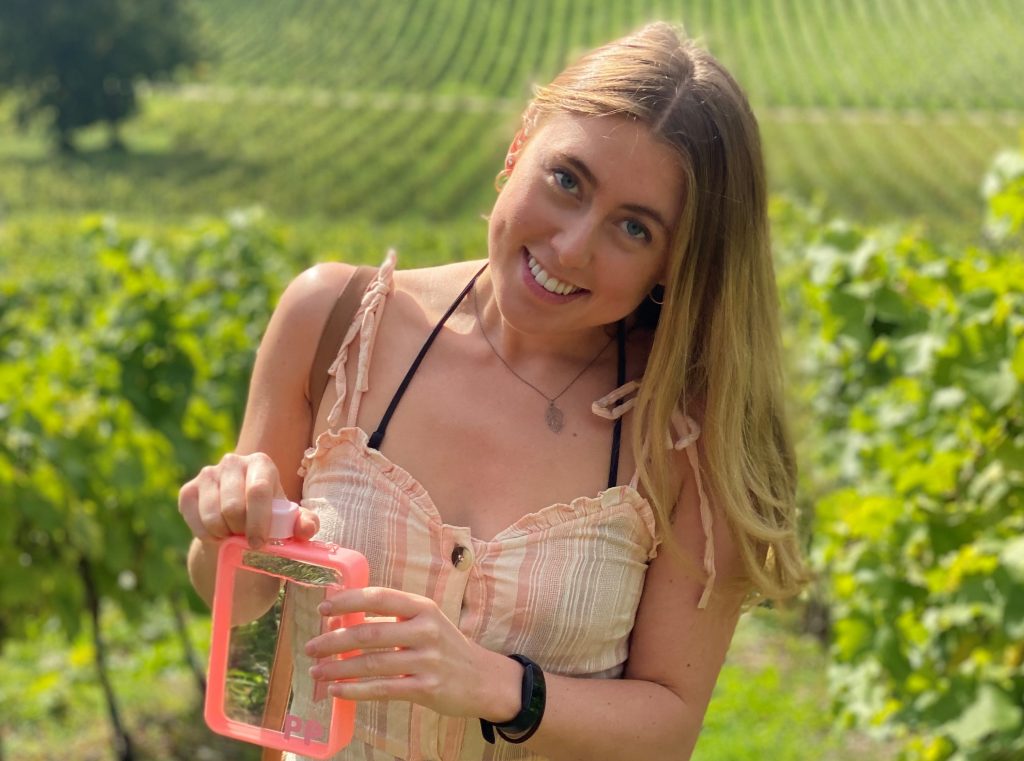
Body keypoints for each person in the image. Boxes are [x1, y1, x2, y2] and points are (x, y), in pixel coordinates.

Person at [178, 21, 808, 761]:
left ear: (673, 264)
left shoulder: (686, 427)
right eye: (567, 180)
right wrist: (226, 534)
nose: (571, 246)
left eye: (633, 229)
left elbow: (668, 727)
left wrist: (497, 684)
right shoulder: (335, 323)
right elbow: (241, 603)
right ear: (519, 149)